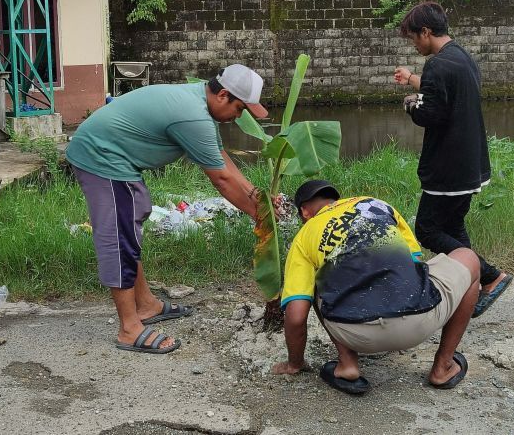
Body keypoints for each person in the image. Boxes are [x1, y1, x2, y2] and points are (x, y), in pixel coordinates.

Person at [66, 64, 269, 353]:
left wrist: (255, 195)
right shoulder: (193, 116)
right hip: (101, 157)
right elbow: (222, 180)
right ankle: (129, 328)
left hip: (116, 158)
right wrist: (258, 216)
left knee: (133, 217)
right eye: (240, 109)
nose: (238, 117)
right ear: (223, 95)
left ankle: (146, 304)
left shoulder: (199, 103)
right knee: (119, 236)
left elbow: (221, 157)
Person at [271, 180, 480, 395]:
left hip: (354, 332)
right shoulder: (376, 204)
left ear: (305, 212)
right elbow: (414, 263)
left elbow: (296, 316)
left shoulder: (303, 238)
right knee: (468, 257)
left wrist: (294, 364)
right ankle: (443, 366)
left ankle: (347, 365)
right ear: (337, 200)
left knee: (314, 281)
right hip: (420, 322)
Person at [393, 1, 512, 317]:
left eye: (414, 38)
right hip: (469, 165)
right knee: (454, 228)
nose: (415, 45)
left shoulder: (438, 65)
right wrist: (413, 80)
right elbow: (443, 93)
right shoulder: (460, 57)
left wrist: (411, 104)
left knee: (428, 230)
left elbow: (430, 113)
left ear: (427, 32)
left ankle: (491, 275)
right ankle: (473, 285)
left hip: (448, 169)